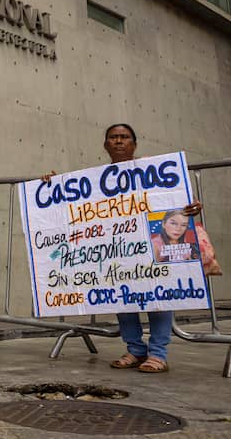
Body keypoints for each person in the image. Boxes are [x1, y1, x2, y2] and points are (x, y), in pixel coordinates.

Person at [98, 123, 202, 374]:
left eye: (124, 137)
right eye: (113, 137)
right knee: (122, 296)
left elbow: (174, 200)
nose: (119, 141)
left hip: (152, 242)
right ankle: (135, 349)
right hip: (119, 247)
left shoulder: (152, 170)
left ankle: (158, 353)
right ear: (105, 145)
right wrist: (49, 183)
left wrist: (188, 206)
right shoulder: (95, 179)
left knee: (160, 296)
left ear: (134, 144)